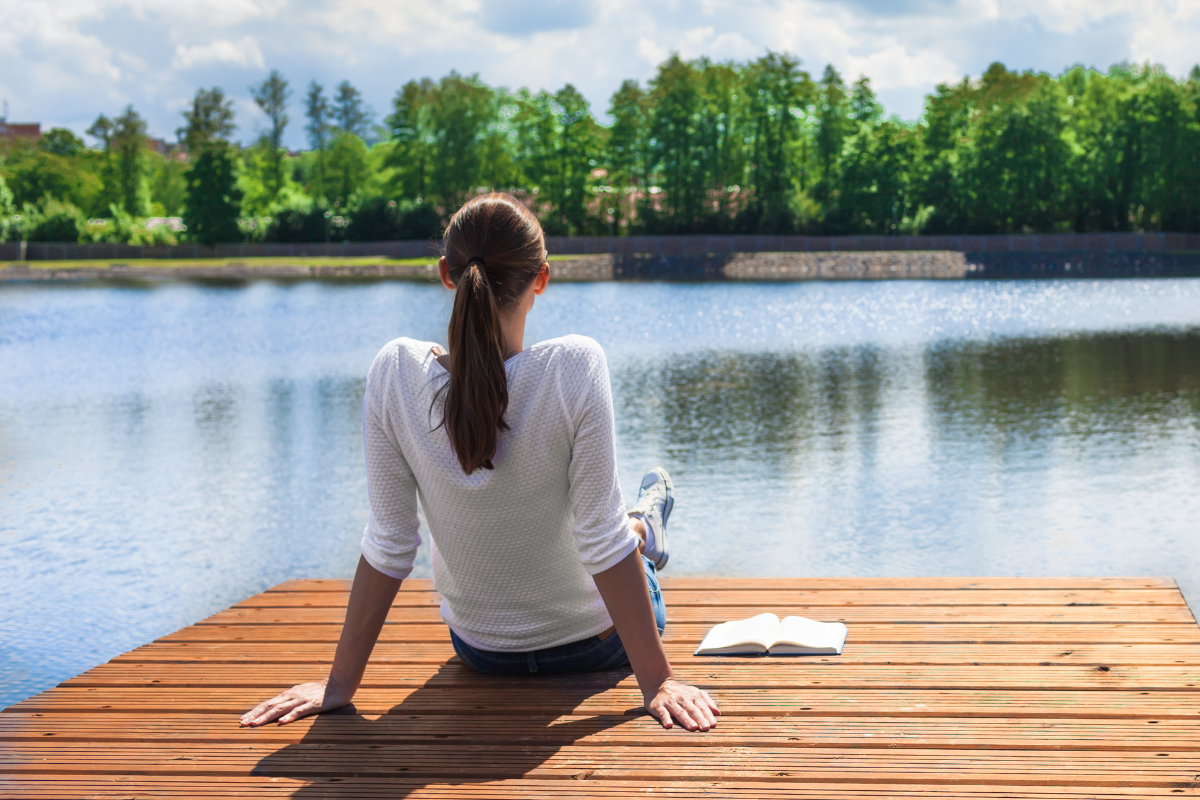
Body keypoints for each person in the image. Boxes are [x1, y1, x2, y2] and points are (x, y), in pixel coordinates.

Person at [241, 193, 720, 732]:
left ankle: (640, 524)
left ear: (446, 273)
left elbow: (390, 543)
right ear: (541, 278)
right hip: (593, 647)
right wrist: (658, 681)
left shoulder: (394, 373)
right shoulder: (575, 366)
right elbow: (600, 541)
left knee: (610, 528)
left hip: (482, 652)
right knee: (622, 537)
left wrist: (339, 686)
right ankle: (646, 527)